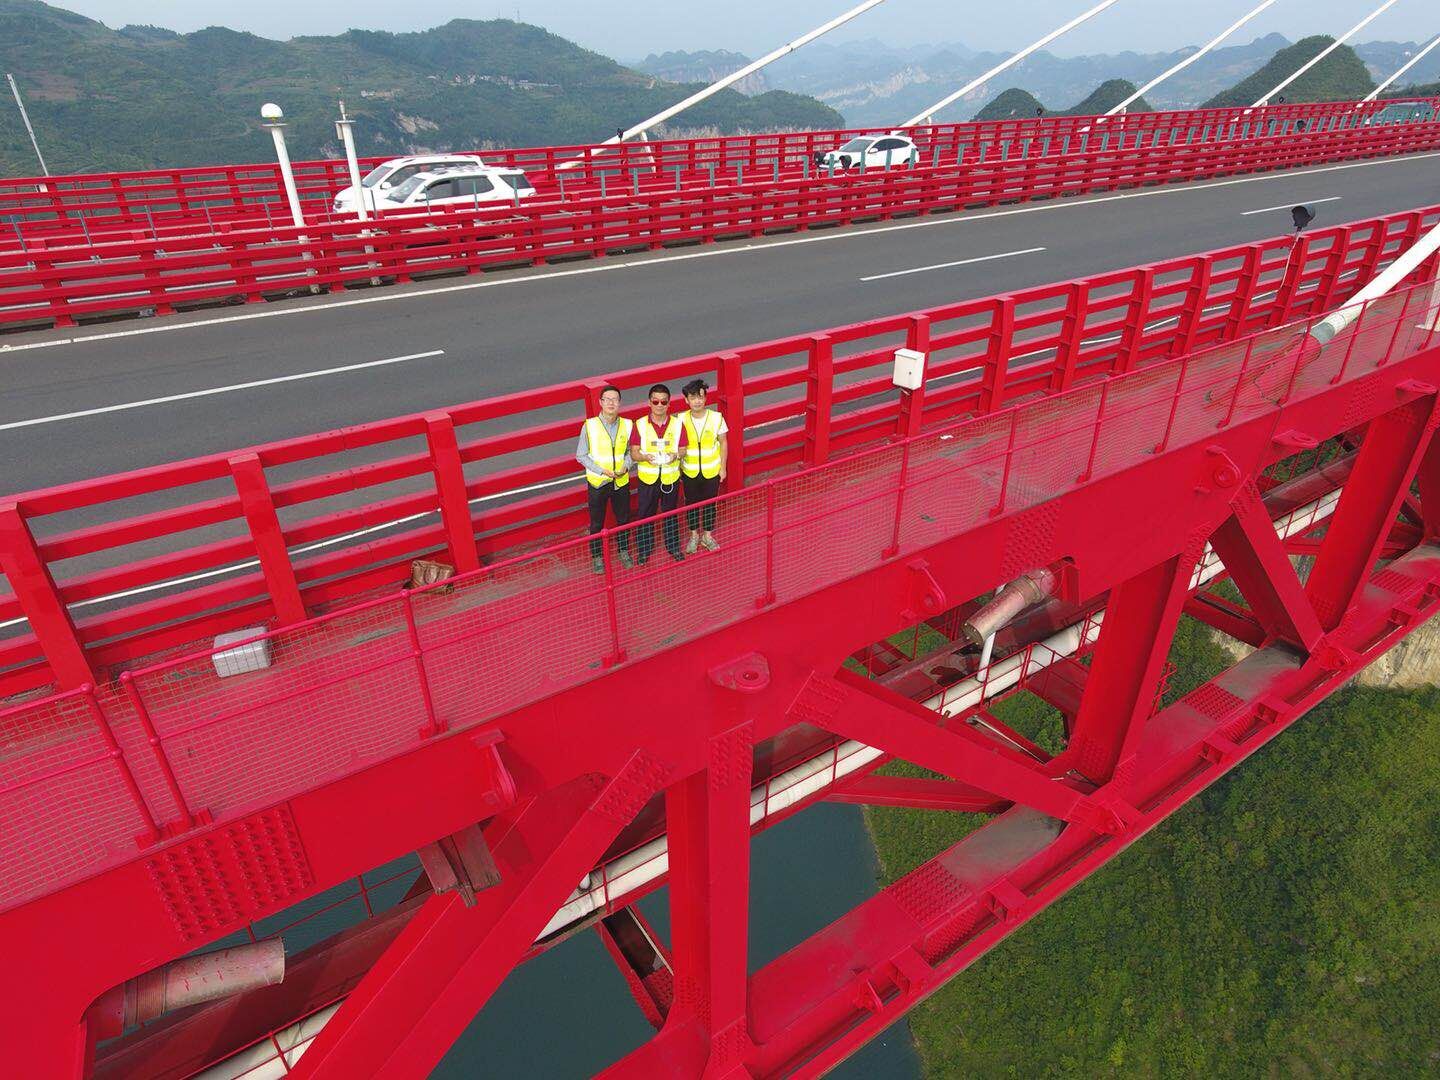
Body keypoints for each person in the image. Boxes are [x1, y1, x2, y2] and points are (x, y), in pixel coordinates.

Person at [576, 385, 634, 574]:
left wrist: (626, 465)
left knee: (623, 519)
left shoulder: (628, 425)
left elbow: (631, 452)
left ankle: (623, 551)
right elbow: (581, 455)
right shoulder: (590, 426)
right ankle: (597, 557)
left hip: (620, 481)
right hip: (598, 483)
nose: (611, 403)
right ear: (600, 402)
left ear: (620, 403)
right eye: (607, 399)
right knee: (596, 522)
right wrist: (602, 471)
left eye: (615, 399)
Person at [631, 383, 687, 564]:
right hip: (648, 479)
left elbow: (683, 449)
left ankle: (673, 547)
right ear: (649, 402)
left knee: (670, 513)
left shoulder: (678, 424)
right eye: (655, 401)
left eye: (663, 402)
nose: (659, 405)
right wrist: (644, 457)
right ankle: (644, 551)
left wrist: (675, 455)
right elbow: (634, 453)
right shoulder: (639, 424)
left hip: (670, 477)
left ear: (669, 403)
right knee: (645, 514)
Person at [678, 378, 728, 553]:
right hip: (689, 471)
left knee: (710, 505)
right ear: (686, 400)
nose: (697, 401)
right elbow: (678, 445)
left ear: (706, 398)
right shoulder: (681, 419)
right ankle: (694, 536)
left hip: (711, 470)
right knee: (691, 505)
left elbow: (723, 442)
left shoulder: (716, 418)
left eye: (700, 397)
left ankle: (707, 536)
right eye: (693, 397)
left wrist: (723, 468)